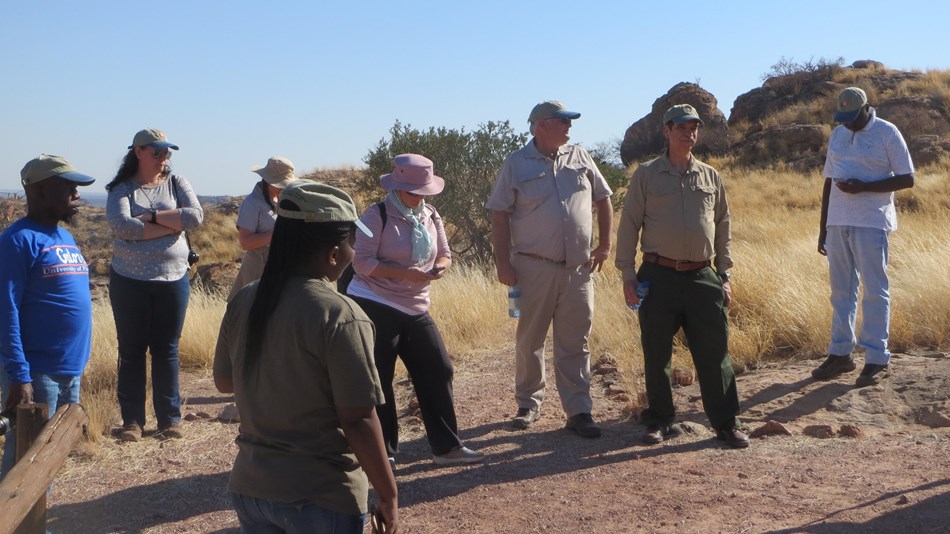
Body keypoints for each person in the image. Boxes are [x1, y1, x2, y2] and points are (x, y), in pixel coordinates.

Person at [214, 181, 399, 533]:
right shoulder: (340, 314)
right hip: (321, 495)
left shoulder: (245, 298)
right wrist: (388, 493)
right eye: (351, 243)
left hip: (251, 488)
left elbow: (225, 381)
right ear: (333, 254)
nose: (353, 253)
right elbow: (359, 419)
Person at [615, 104, 749, 449]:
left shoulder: (710, 176)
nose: (689, 133)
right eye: (682, 128)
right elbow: (629, 224)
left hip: (703, 276)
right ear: (667, 131)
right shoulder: (646, 175)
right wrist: (628, 275)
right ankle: (659, 420)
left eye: (694, 128)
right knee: (657, 352)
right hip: (657, 275)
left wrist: (724, 274)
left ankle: (726, 423)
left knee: (715, 352)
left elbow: (723, 223)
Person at [487, 100, 613, 439]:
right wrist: (503, 263)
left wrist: (604, 245)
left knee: (575, 341)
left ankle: (579, 411)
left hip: (578, 269)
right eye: (563, 121)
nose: (569, 127)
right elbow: (499, 213)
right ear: (543, 125)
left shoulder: (581, 156)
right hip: (532, 268)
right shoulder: (516, 163)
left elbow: (603, 198)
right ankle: (528, 404)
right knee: (530, 339)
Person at [347, 154, 484, 465]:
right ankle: (383, 455)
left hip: (415, 304)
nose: (419, 197)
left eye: (424, 192)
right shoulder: (374, 215)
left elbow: (445, 253)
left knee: (438, 369)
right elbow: (361, 263)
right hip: (374, 302)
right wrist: (404, 274)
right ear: (396, 187)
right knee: (379, 377)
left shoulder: (430, 214)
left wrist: (441, 267)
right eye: (413, 192)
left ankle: (447, 449)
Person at [812, 87, 915, 387]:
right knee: (841, 292)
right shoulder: (838, 134)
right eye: (843, 117)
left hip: (871, 222)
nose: (847, 123)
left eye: (852, 117)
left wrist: (863, 188)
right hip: (838, 223)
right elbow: (829, 181)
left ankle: (877, 358)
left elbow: (908, 178)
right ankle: (840, 354)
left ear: (866, 109)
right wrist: (824, 227)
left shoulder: (887, 132)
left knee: (874, 290)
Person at [0, 154, 95, 478]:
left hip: (69, 370)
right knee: (25, 463)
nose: (77, 194)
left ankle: (40, 515)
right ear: (39, 191)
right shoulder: (16, 241)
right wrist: (20, 375)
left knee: (50, 459)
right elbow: (6, 311)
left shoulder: (64, 236)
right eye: (68, 186)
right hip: (37, 372)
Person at [105, 128, 203, 442]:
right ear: (138, 152)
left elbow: (194, 218)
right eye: (157, 152)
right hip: (129, 281)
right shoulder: (121, 188)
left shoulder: (177, 182)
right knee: (131, 350)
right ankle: (132, 422)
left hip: (173, 278)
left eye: (166, 153)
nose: (163, 158)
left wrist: (150, 218)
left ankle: (169, 420)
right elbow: (123, 227)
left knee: (167, 350)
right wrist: (170, 224)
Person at [227, 156, 297, 301]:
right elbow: (246, 242)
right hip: (258, 271)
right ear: (269, 181)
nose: (284, 188)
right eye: (281, 184)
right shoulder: (252, 203)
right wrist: (278, 232)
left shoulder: (279, 199)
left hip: (279, 267)